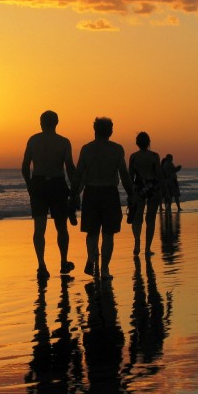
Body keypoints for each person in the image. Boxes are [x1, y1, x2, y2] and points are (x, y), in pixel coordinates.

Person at [70, 117, 134, 280]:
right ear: (110, 131)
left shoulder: (86, 149)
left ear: (95, 130)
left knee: (92, 232)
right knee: (108, 234)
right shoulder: (117, 149)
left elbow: (78, 174)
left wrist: (73, 194)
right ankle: (104, 270)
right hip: (109, 193)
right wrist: (131, 194)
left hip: (91, 193)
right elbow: (124, 175)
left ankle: (91, 258)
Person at [22, 110, 76, 278]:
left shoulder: (33, 140)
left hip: (38, 183)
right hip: (57, 184)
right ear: (57, 122)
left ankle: (41, 265)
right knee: (61, 226)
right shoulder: (64, 142)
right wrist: (75, 188)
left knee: (39, 228)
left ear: (41, 122)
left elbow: (25, 166)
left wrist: (29, 184)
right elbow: (69, 167)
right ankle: (64, 261)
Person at [128, 132, 164, 256]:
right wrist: (164, 191)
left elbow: (130, 176)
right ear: (149, 142)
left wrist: (130, 194)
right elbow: (159, 174)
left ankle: (137, 242)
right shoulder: (154, 156)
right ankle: (147, 248)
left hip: (139, 187)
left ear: (137, 143)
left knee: (137, 218)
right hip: (153, 187)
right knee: (151, 219)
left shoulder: (133, 157)